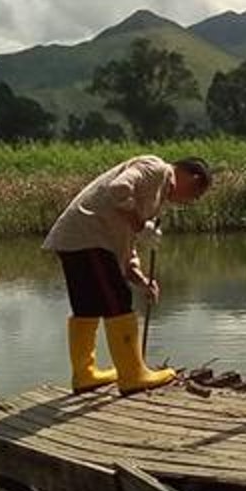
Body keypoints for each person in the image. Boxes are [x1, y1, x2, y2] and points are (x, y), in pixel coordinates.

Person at [42, 155, 213, 394]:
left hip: (76, 238)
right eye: (194, 196)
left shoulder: (157, 194)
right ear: (193, 179)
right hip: (90, 237)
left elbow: (126, 243)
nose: (187, 202)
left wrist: (141, 279)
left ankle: (85, 374)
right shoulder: (156, 169)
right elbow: (118, 190)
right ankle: (132, 375)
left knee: (87, 307)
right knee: (118, 301)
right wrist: (140, 225)